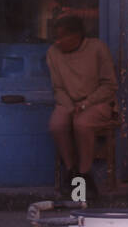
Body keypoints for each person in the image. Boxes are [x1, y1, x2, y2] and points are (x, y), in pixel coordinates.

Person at [46, 14, 116, 200]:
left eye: (62, 37)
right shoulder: (53, 53)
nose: (58, 42)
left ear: (77, 36)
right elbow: (58, 88)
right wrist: (69, 105)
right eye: (56, 37)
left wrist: (86, 103)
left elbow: (109, 86)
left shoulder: (97, 48)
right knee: (57, 125)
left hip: (97, 102)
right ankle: (72, 170)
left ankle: (84, 173)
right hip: (69, 101)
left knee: (82, 124)